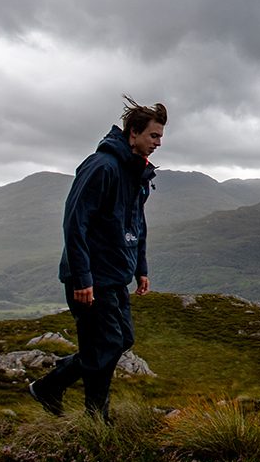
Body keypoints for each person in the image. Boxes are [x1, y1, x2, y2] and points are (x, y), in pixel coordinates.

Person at [30, 96, 164, 421]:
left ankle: (51, 385)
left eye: (160, 137)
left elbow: (136, 223)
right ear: (133, 133)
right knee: (106, 344)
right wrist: (82, 277)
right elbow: (75, 222)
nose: (158, 143)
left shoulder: (136, 172)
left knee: (121, 339)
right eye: (153, 136)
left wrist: (140, 268)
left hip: (116, 273)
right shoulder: (102, 166)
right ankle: (96, 419)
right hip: (91, 277)